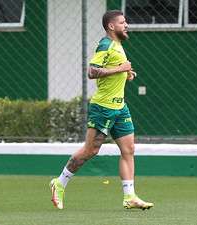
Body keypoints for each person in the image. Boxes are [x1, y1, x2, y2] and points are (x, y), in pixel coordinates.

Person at [50, 10, 154, 210]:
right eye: (123, 23)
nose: (127, 25)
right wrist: (120, 70)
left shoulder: (118, 45)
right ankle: (59, 183)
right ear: (111, 26)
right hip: (103, 108)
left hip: (120, 107)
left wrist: (125, 74)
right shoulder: (105, 44)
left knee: (129, 150)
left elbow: (112, 70)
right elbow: (92, 71)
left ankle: (129, 196)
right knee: (91, 150)